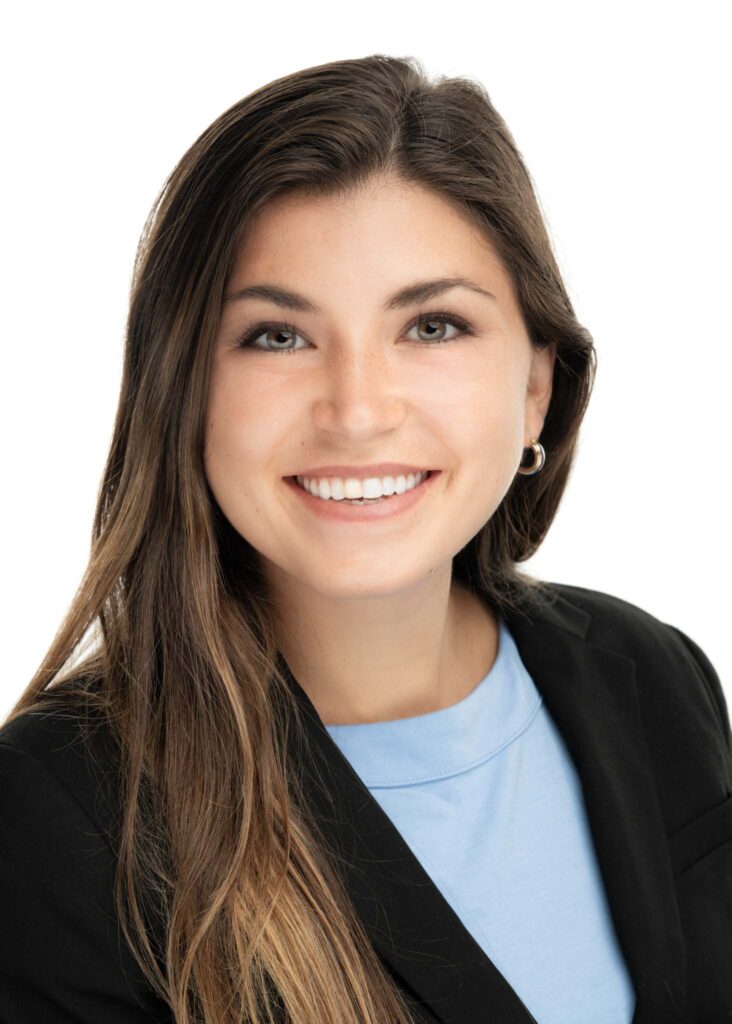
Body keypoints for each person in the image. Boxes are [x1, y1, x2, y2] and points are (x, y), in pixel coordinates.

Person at [0, 53, 730, 1024]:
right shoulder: (57, 818)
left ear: (534, 390)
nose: (356, 409)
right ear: (182, 393)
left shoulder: (651, 671)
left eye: (432, 326)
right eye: (277, 335)